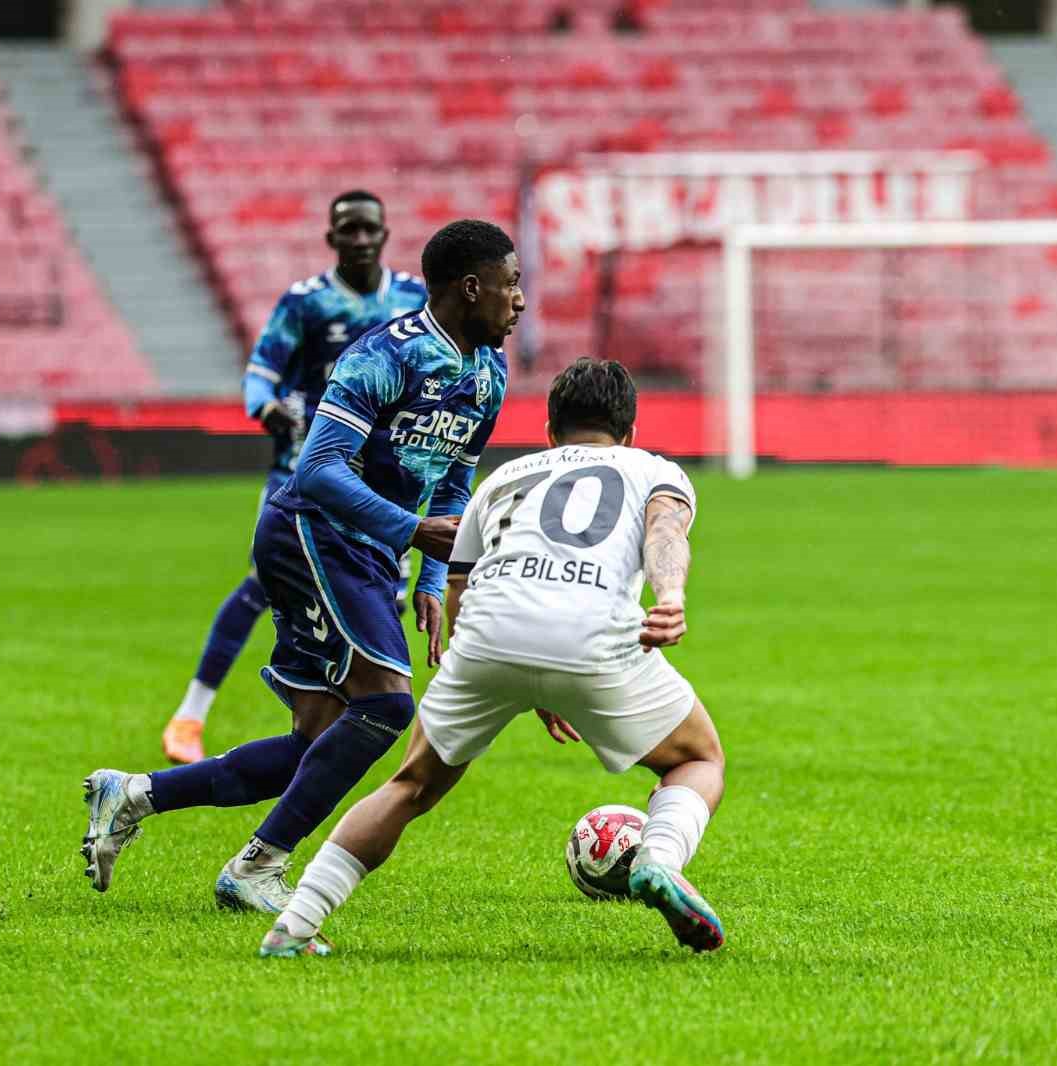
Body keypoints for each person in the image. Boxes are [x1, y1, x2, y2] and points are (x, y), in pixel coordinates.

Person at [80, 220, 524, 914]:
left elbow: (454, 480)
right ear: (472, 288)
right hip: (310, 532)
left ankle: (134, 794)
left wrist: (434, 578)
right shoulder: (384, 356)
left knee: (317, 742)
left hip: (368, 551)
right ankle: (258, 866)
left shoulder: (490, 373)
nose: (519, 299)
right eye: (511, 283)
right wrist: (412, 531)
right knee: (387, 705)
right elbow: (316, 470)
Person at [257, 358, 727, 958]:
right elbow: (665, 531)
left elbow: (460, 586)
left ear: (550, 432)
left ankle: (294, 926)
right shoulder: (653, 470)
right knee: (697, 759)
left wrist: (512, 678)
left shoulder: (503, 479)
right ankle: (657, 858)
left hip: (486, 639)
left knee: (410, 785)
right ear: (630, 432)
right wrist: (671, 597)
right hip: (593, 638)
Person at [160, 191, 428, 765]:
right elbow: (261, 372)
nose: (360, 240)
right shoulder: (307, 303)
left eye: (369, 229)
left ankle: (340, 724)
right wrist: (266, 407)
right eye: (349, 230)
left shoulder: (412, 300)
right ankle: (190, 715)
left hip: (382, 483)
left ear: (385, 235)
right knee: (263, 582)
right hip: (306, 471)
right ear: (331, 238)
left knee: (385, 599)